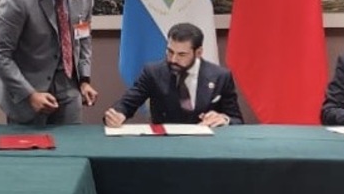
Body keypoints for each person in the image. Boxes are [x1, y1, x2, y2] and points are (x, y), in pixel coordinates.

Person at [104, 23, 243, 127]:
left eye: (182, 54)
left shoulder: (221, 76)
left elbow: (237, 120)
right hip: (165, 144)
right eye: (170, 52)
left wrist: (224, 119)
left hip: (207, 145)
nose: (173, 60)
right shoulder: (153, 72)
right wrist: (117, 114)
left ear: (198, 52)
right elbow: (127, 103)